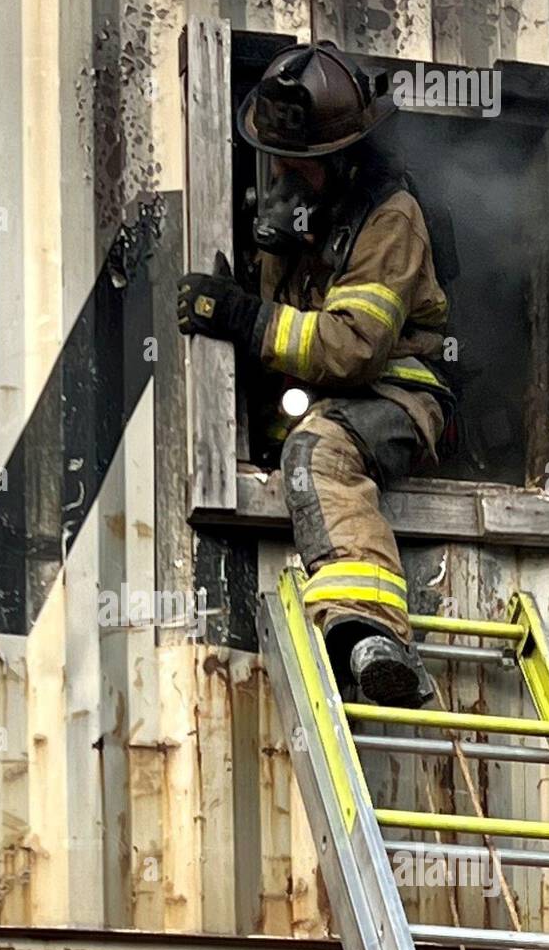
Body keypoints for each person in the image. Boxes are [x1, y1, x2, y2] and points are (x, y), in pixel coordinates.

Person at [177, 41, 455, 709]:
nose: (286, 174)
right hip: (326, 401)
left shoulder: (390, 219)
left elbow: (352, 347)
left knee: (320, 452)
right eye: (282, 160)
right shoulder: (287, 211)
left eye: (303, 164)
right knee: (308, 436)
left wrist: (244, 317)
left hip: (396, 396)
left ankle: (374, 638)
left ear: (342, 157)